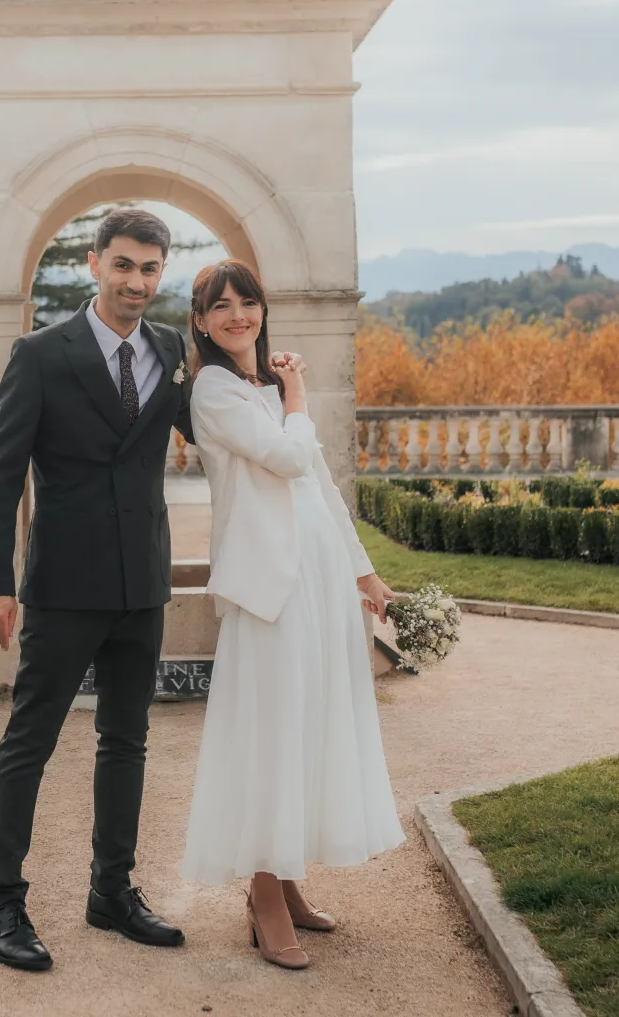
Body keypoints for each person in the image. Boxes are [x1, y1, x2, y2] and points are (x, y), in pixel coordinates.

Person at [0, 207, 194, 971]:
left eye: (151, 268)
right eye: (124, 264)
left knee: (126, 741)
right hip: (64, 584)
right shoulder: (39, 354)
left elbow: (217, 425)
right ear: (94, 263)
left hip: (144, 584)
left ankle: (112, 891)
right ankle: (1, 903)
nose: (137, 281)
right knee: (28, 742)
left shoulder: (171, 350)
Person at [180, 258, 404, 969]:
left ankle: (289, 880)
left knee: (305, 728)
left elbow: (321, 486)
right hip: (268, 586)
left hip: (320, 579)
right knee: (272, 733)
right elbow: (284, 457)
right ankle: (262, 896)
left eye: (248, 302)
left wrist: (362, 569)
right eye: (222, 306)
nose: (238, 315)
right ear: (201, 321)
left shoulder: (268, 387)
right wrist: (300, 391)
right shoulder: (213, 390)